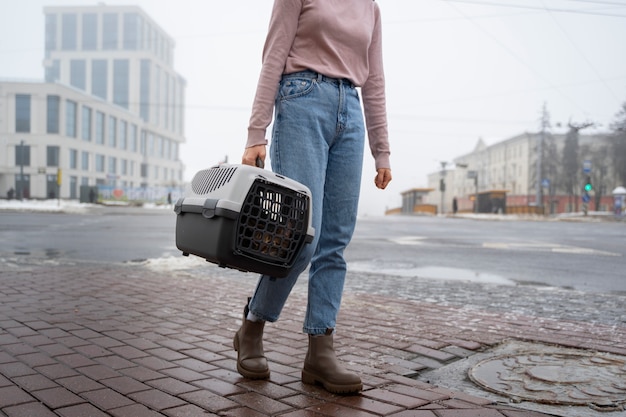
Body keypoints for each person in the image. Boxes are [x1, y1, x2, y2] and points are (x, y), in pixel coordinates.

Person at [236, 0, 392, 395]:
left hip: (350, 114)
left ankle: (320, 351)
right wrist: (257, 132)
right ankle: (253, 326)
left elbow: (374, 80)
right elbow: (273, 56)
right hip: (301, 100)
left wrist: (382, 149)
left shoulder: (370, 7)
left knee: (335, 242)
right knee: (300, 235)